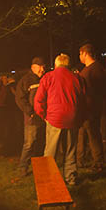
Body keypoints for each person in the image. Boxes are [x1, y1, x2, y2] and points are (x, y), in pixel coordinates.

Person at [34, 53, 86, 186]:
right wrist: (79, 117)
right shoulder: (77, 78)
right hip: (72, 118)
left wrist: (44, 116)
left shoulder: (48, 77)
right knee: (70, 150)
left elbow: (38, 100)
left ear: (56, 64)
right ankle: (71, 178)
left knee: (51, 151)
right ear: (68, 65)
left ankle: (48, 180)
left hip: (54, 118)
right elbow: (84, 100)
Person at [77, 43, 106, 172]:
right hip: (87, 110)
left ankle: (98, 163)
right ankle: (81, 159)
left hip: (91, 110)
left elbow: (96, 91)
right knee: (83, 135)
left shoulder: (94, 70)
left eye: (80, 54)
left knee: (94, 136)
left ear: (84, 53)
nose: (79, 57)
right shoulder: (90, 69)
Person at [14, 57, 46, 176]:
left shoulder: (45, 78)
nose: (43, 69)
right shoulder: (26, 80)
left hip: (43, 116)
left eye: (44, 66)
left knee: (41, 142)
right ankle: (23, 167)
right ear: (33, 67)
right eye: (40, 67)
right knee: (29, 143)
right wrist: (30, 112)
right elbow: (19, 98)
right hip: (32, 117)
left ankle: (39, 165)